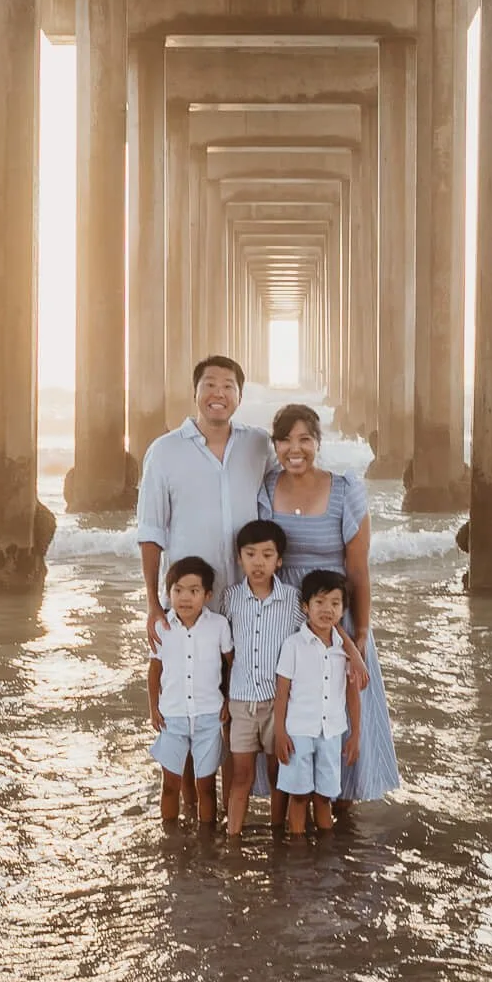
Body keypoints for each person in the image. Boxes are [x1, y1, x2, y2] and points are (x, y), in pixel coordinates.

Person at [257, 403, 401, 804]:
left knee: (340, 705)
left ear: (318, 443)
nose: (294, 449)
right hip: (287, 615)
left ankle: (342, 805)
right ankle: (286, 804)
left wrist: (360, 632)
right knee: (290, 709)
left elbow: (358, 569)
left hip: (336, 613)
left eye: (304, 439)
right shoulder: (267, 488)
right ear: (276, 445)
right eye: (284, 440)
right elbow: (261, 557)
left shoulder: (344, 489)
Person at [133, 357, 274, 643]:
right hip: (188, 603)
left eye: (228, 386)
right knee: (184, 685)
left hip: (249, 602)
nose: (218, 394)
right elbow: (151, 531)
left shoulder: (259, 445)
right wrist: (152, 603)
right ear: (194, 392)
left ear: (240, 396)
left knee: (246, 687)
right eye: (209, 385)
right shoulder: (164, 452)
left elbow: (286, 493)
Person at [222, 519, 300, 843]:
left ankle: (278, 836)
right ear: (239, 557)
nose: (258, 562)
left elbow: (315, 637)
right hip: (240, 703)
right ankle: (232, 840)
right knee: (241, 774)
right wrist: (222, 697)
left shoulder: (293, 601)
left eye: (267, 555)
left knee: (275, 772)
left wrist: (351, 651)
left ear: (279, 560)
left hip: (277, 705)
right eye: (250, 554)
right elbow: (222, 651)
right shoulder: (230, 599)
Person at [271, 570, 361, 836]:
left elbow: (352, 696)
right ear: (305, 607)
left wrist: (355, 734)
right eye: (319, 602)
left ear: (343, 610)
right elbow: (282, 693)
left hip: (331, 733)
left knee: (324, 798)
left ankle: (325, 854)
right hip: (298, 732)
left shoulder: (345, 652)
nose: (327, 609)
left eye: (335, 603)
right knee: (298, 797)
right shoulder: (293, 645)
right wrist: (279, 733)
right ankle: (297, 853)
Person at [148, 555, 230, 826]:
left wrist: (228, 700)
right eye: (178, 590)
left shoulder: (218, 625)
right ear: (168, 593)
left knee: (206, 786)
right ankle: (170, 838)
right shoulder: (162, 627)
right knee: (170, 785)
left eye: (193, 591)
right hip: (173, 717)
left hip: (209, 717)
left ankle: (207, 841)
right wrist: (153, 708)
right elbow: (154, 670)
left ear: (206, 595)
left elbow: (230, 664)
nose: (185, 598)